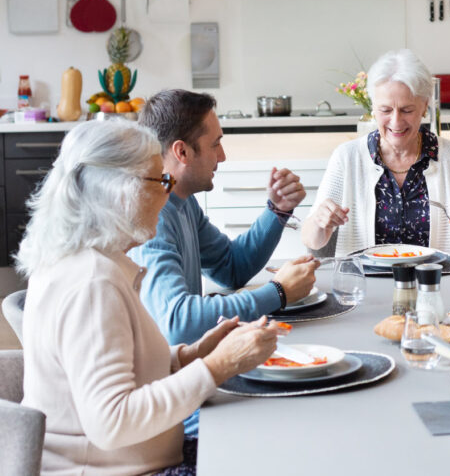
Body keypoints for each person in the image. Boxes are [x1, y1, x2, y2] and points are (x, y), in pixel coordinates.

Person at [16, 119, 280, 475]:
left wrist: (191, 355)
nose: (169, 192)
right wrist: (218, 366)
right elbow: (112, 422)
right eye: (161, 180)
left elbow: (125, 367)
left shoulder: (80, 261)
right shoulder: (93, 284)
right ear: (120, 192)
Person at [130, 89, 318, 435]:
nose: (223, 156)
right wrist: (278, 293)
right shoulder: (152, 218)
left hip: (185, 378)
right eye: (215, 143)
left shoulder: (180, 201)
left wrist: (276, 211)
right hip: (170, 409)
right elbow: (176, 321)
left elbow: (231, 266)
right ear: (182, 152)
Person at [303, 49, 450, 254]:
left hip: (434, 282)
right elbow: (311, 240)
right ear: (373, 106)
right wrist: (320, 222)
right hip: (364, 283)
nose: (396, 122)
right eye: (385, 110)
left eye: (407, 110)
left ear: (424, 106)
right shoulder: (347, 157)